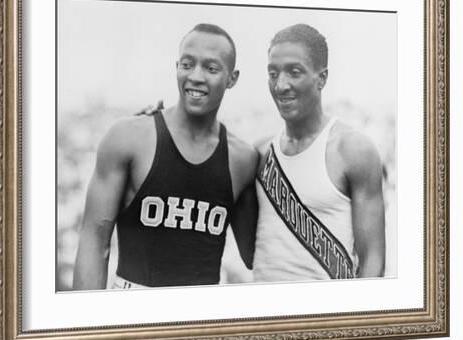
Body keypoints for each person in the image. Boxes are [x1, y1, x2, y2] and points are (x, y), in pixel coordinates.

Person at [72, 23, 259, 290]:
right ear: (176, 67)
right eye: (187, 64)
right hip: (132, 313)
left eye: (211, 68)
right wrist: (87, 326)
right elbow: (94, 241)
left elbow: (256, 255)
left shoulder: (243, 159)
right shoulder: (130, 137)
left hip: (202, 319)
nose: (196, 76)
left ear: (232, 78)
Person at [253, 23, 386, 281]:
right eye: (273, 73)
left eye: (294, 72)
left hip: (328, 316)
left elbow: (373, 262)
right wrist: (153, 125)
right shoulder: (259, 154)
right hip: (264, 314)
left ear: (321, 78)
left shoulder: (353, 150)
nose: (281, 85)